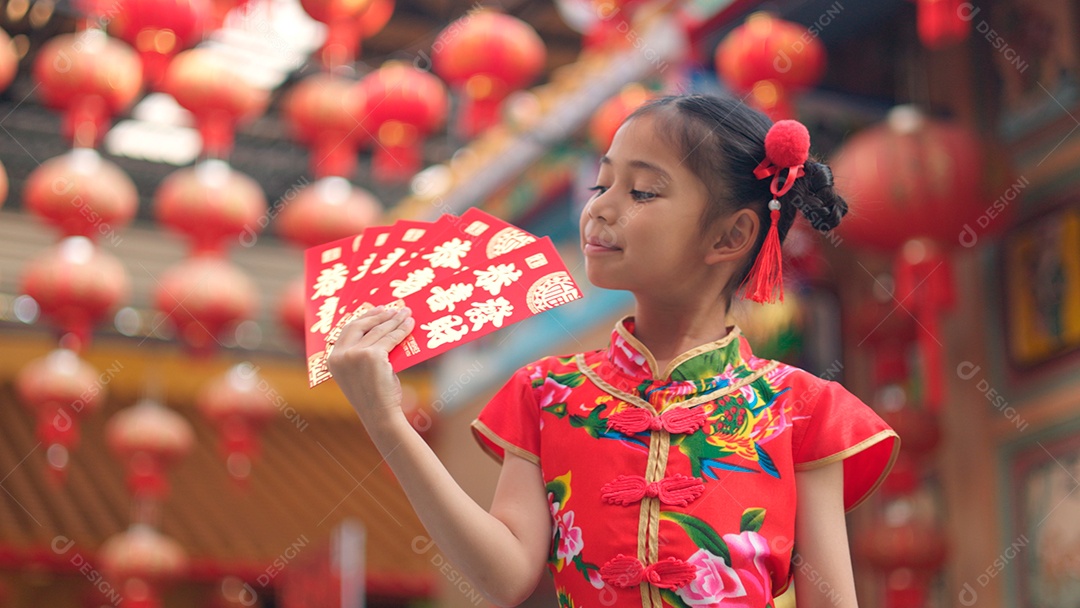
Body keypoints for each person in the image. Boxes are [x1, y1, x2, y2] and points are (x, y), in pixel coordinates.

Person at [328, 94, 899, 608]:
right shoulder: (545, 394)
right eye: (602, 185)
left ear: (731, 236)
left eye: (641, 191)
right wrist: (386, 420)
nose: (599, 208)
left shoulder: (802, 408)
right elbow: (503, 577)